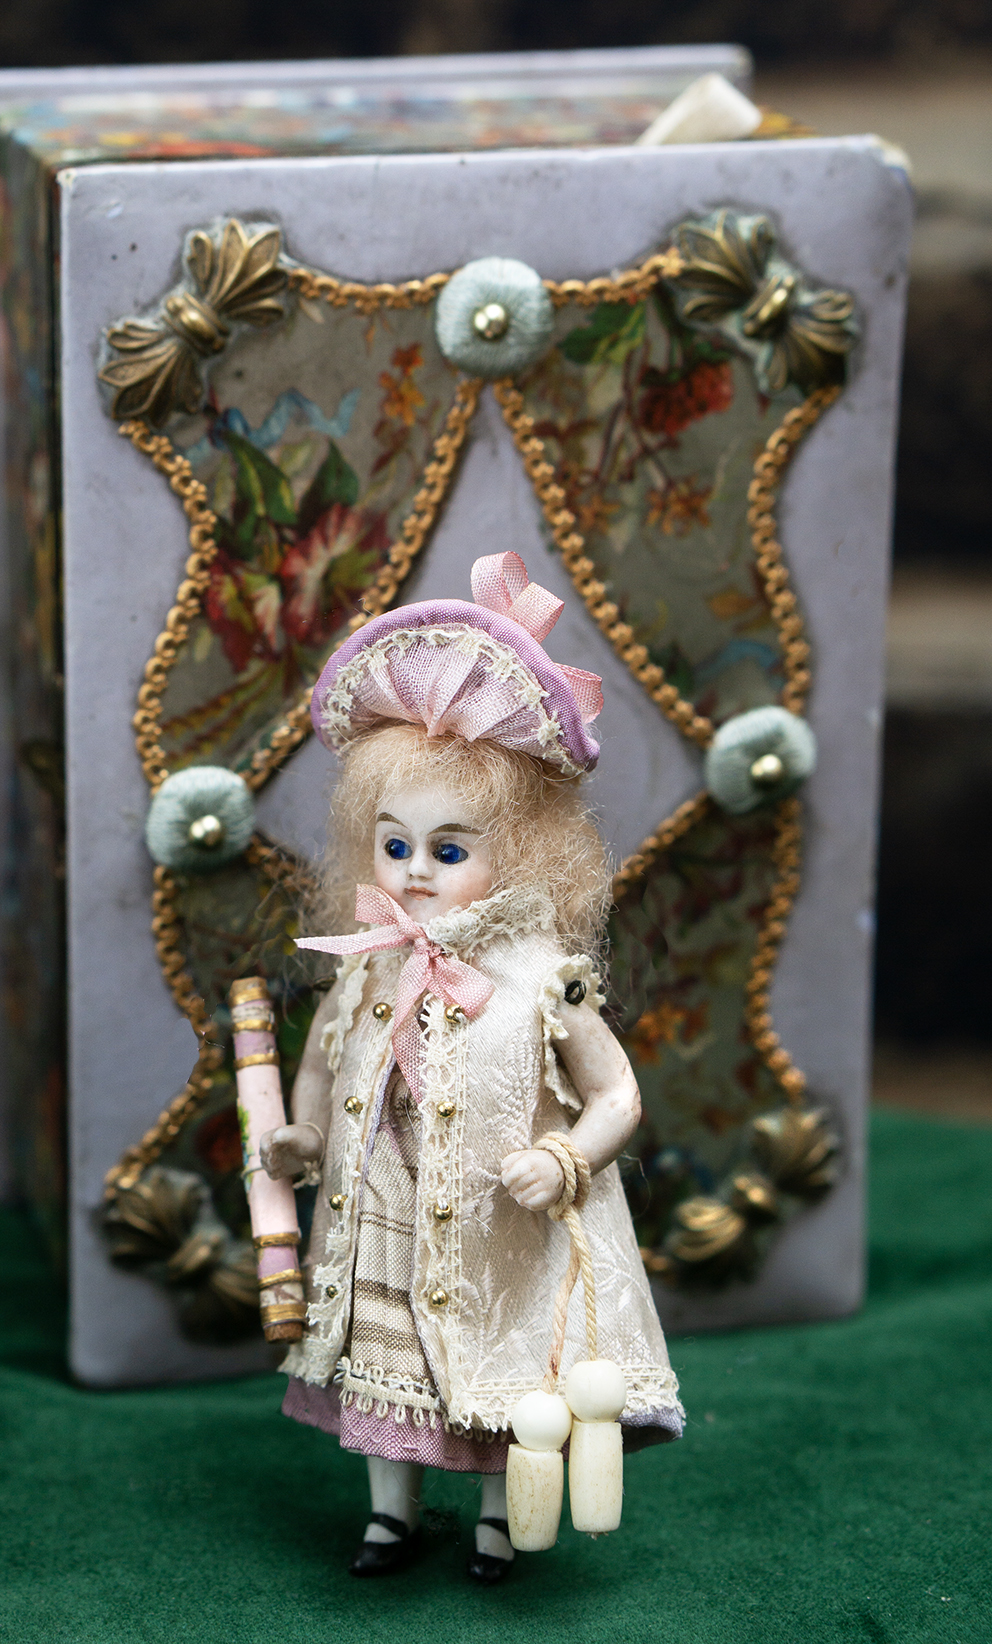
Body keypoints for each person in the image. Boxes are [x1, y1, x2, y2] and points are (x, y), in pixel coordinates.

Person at [260, 552, 683, 1582]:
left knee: (501, 1366)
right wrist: (305, 1133)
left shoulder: (545, 976)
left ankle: (499, 1518)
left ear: (522, 850)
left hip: (499, 1219)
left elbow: (617, 1093)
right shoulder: (368, 963)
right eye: (396, 846)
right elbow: (322, 1063)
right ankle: (390, 1515)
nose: (414, 873)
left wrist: (566, 1158)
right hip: (385, 1204)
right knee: (386, 1361)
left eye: (449, 852)